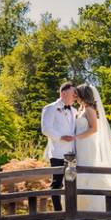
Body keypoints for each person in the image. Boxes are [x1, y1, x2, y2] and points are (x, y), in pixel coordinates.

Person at [71, 83, 111, 211]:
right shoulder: (81, 109)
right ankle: (81, 206)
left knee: (87, 171)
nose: (75, 96)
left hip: (87, 145)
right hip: (79, 144)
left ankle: (95, 207)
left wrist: (77, 137)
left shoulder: (89, 109)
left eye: (77, 94)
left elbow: (94, 129)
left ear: (83, 94)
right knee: (80, 171)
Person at [40, 82, 77, 211]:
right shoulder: (50, 108)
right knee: (57, 183)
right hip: (57, 152)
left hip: (72, 154)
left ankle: (71, 211)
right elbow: (45, 129)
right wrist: (61, 137)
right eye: (73, 94)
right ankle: (58, 212)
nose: (75, 96)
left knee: (71, 182)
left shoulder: (74, 110)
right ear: (63, 93)